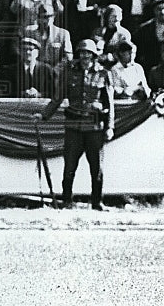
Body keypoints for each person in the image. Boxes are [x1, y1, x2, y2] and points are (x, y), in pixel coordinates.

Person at [39, 39, 115, 210]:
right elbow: (57, 98)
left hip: (94, 127)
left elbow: (109, 103)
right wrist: (43, 115)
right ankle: (67, 201)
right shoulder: (68, 73)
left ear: (94, 55)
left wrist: (110, 126)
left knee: (96, 168)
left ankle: (97, 202)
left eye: (88, 53)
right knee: (69, 167)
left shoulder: (103, 74)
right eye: (82, 53)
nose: (85, 56)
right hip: (74, 126)